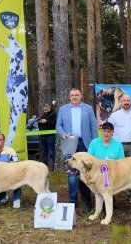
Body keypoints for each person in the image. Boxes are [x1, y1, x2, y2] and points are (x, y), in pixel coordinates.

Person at [56, 88, 98, 216]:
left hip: (85, 144)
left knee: (85, 172)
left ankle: (87, 202)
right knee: (72, 174)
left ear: (81, 96)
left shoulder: (88, 108)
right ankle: (73, 201)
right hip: (70, 144)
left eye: (77, 95)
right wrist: (62, 134)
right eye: (72, 95)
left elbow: (93, 126)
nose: (74, 97)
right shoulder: (63, 109)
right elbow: (59, 125)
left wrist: (94, 144)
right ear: (69, 97)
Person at [108, 94, 131, 203]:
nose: (127, 102)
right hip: (117, 146)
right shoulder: (114, 116)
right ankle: (111, 193)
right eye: (124, 100)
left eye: (128, 100)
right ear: (120, 102)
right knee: (114, 170)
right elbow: (108, 130)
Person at [38, 103, 57, 171]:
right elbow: (39, 124)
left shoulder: (53, 114)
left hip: (50, 136)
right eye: (43, 109)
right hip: (43, 136)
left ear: (49, 108)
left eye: (45, 108)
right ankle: (44, 166)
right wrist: (40, 122)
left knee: (52, 151)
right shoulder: (43, 115)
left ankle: (55, 166)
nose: (44, 110)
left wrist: (46, 121)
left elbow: (54, 124)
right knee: (44, 152)